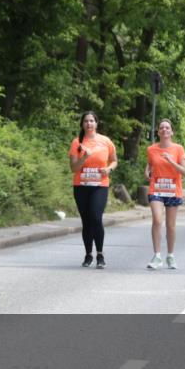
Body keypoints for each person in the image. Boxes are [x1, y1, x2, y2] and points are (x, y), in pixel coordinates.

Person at [68, 111, 118, 268]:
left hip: (99, 185)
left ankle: (100, 254)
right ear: (82, 124)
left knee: (96, 217)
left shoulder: (105, 141)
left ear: (97, 123)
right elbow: (73, 168)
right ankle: (88, 254)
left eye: (92, 121)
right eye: (86, 121)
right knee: (86, 221)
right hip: (81, 186)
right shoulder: (77, 142)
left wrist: (109, 169)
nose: (89, 124)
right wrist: (84, 157)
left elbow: (115, 161)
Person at [145, 119, 185, 270]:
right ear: (158, 132)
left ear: (172, 132)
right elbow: (150, 163)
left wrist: (171, 161)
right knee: (157, 220)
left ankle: (170, 255)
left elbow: (184, 171)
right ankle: (157, 256)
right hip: (156, 189)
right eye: (161, 127)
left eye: (167, 128)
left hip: (173, 190)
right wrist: (147, 171)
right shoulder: (151, 149)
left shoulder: (178, 149)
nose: (164, 130)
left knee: (170, 225)